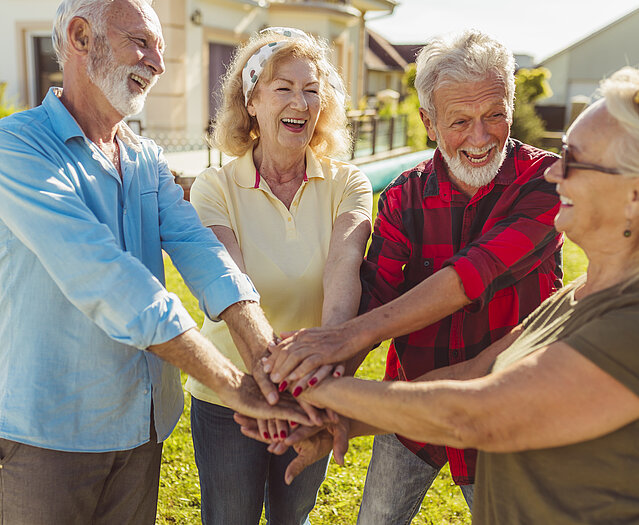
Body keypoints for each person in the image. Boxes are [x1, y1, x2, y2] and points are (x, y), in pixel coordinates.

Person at [239, 65, 639, 525]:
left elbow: (472, 414)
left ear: (633, 194)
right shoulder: (573, 298)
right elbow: (470, 374)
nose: (556, 173)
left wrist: (320, 387)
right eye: (561, 154)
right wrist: (335, 422)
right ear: (430, 123)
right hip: (415, 409)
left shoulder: (628, 320)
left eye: (575, 160)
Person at [0, 2, 311, 524]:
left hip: (140, 430)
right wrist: (238, 387)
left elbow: (202, 250)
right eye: (142, 42)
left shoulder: (143, 156)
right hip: (47, 439)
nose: (157, 63)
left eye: (160, 48)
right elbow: (108, 279)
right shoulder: (19, 147)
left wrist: (263, 359)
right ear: (80, 36)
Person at [184, 27, 372, 525]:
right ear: (251, 101)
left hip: (311, 385)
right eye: (284, 87)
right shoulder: (214, 187)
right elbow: (230, 282)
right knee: (229, 518)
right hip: (232, 389)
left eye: (312, 90)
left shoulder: (348, 182)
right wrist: (270, 383)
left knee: (294, 515)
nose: (301, 102)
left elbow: (343, 267)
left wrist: (316, 369)